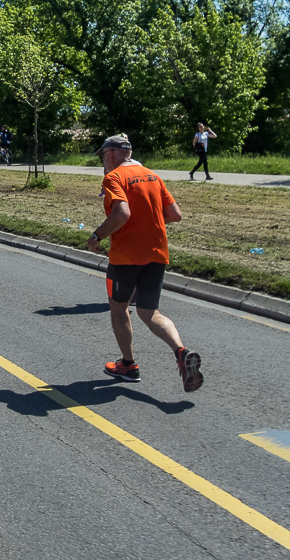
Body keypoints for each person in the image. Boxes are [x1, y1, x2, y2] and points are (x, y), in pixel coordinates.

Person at [86, 135, 203, 393]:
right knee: (150, 312)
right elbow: (175, 215)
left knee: (119, 308)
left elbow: (123, 212)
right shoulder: (152, 176)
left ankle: (128, 365)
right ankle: (181, 352)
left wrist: (96, 237)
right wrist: (148, 222)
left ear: (113, 153)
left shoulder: (114, 178)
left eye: (103, 154)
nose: (103, 160)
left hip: (126, 256)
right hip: (157, 254)